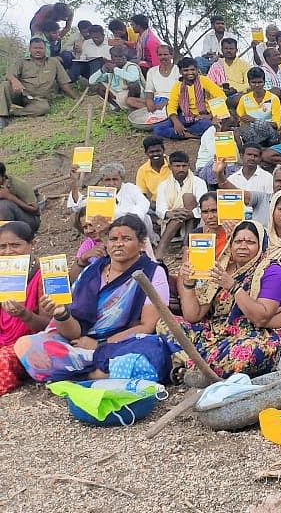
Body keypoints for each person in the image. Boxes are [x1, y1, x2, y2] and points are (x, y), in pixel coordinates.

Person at [15, 215, 171, 383]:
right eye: (113, 239)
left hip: (120, 344)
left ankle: (82, 373)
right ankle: (97, 372)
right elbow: (74, 331)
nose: (118, 244)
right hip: (78, 343)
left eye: (126, 239)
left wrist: (100, 345)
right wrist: (61, 314)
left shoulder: (153, 272)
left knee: (150, 355)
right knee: (26, 345)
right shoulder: (92, 270)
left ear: (141, 244)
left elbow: (146, 326)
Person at [176, 220, 281, 379]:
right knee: (169, 325)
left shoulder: (273, 272)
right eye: (237, 241)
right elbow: (192, 316)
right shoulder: (223, 269)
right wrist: (188, 283)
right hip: (221, 331)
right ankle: (197, 364)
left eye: (250, 242)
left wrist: (232, 286)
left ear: (262, 247)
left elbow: (261, 318)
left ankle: (185, 362)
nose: (243, 246)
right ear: (230, 245)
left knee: (245, 352)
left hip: (261, 335)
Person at [0, 223, 47, 395]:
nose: (8, 251)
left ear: (32, 244)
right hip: (3, 338)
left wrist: (25, 315)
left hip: (29, 344)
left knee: (2, 360)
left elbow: (50, 327)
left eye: (15, 245)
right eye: (2, 247)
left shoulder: (45, 276)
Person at [0, 38, 78, 129]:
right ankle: (2, 116)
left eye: (40, 48)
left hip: (39, 99)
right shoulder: (22, 62)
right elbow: (9, 75)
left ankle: (12, 114)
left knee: (44, 108)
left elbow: (64, 84)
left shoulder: (54, 62)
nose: (37, 50)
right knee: (5, 84)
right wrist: (14, 81)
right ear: (30, 49)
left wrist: (76, 98)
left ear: (45, 49)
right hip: (21, 94)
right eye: (35, 48)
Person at [67, 162, 153, 238]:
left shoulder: (130, 188)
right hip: (109, 230)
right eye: (107, 180)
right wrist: (74, 182)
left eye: (115, 179)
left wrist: (131, 217)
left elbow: (143, 203)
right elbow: (78, 206)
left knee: (146, 218)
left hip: (133, 226)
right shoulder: (100, 193)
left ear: (121, 179)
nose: (111, 183)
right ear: (102, 181)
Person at [154, 151, 207, 260]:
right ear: (170, 167)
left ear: (188, 166)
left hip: (195, 220)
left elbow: (204, 205)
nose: (181, 169)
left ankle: (166, 247)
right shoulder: (163, 185)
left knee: (188, 198)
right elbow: (160, 208)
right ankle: (184, 246)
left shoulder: (198, 182)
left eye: (184, 166)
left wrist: (190, 213)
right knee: (179, 215)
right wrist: (170, 213)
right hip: (172, 222)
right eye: (177, 166)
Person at [156, 58, 226, 139]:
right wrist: (176, 123)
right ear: (180, 72)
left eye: (192, 70)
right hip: (185, 117)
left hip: (203, 117)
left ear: (197, 70)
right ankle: (192, 134)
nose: (190, 73)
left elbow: (221, 96)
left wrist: (211, 115)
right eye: (186, 70)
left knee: (207, 125)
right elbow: (171, 106)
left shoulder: (204, 81)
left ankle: (184, 134)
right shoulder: (177, 86)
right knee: (158, 129)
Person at [89, 45, 143, 111]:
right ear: (112, 58)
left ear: (125, 57)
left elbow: (133, 78)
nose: (118, 60)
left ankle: (134, 108)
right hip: (116, 94)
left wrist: (115, 69)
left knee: (134, 85)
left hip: (129, 95)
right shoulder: (109, 68)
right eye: (116, 57)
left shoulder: (130, 66)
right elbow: (91, 81)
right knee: (97, 86)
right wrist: (102, 70)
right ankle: (116, 106)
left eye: (121, 57)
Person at [0, 162, 40, 234]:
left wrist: (9, 196)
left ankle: (7, 235)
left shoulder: (18, 184)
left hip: (30, 220)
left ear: (3, 176)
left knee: (4, 205)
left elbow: (35, 209)